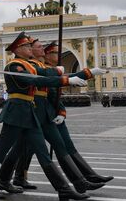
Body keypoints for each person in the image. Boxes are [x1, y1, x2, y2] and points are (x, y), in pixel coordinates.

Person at [0, 32, 90, 201]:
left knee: (43, 152)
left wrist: (78, 74)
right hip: (16, 112)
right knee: (1, 151)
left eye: (30, 46)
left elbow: (46, 73)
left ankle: (63, 189)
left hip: (29, 111)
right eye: (27, 46)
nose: (31, 48)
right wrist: (67, 81)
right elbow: (37, 81)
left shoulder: (28, 65)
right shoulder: (14, 66)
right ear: (18, 49)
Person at [0, 38, 105, 194]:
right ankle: (4, 180)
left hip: (43, 112)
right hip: (32, 112)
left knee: (53, 146)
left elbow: (54, 82)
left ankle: (80, 182)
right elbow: (48, 77)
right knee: (20, 150)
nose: (42, 50)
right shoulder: (31, 66)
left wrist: (88, 73)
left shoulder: (38, 65)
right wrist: (63, 74)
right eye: (38, 47)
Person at [43, 41, 113, 184]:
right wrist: (61, 110)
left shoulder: (51, 69)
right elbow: (51, 93)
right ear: (47, 55)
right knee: (25, 149)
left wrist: (90, 72)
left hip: (53, 113)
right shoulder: (44, 69)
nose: (59, 55)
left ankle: (88, 177)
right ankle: (79, 182)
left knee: (67, 145)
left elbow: (68, 79)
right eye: (55, 52)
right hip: (43, 114)